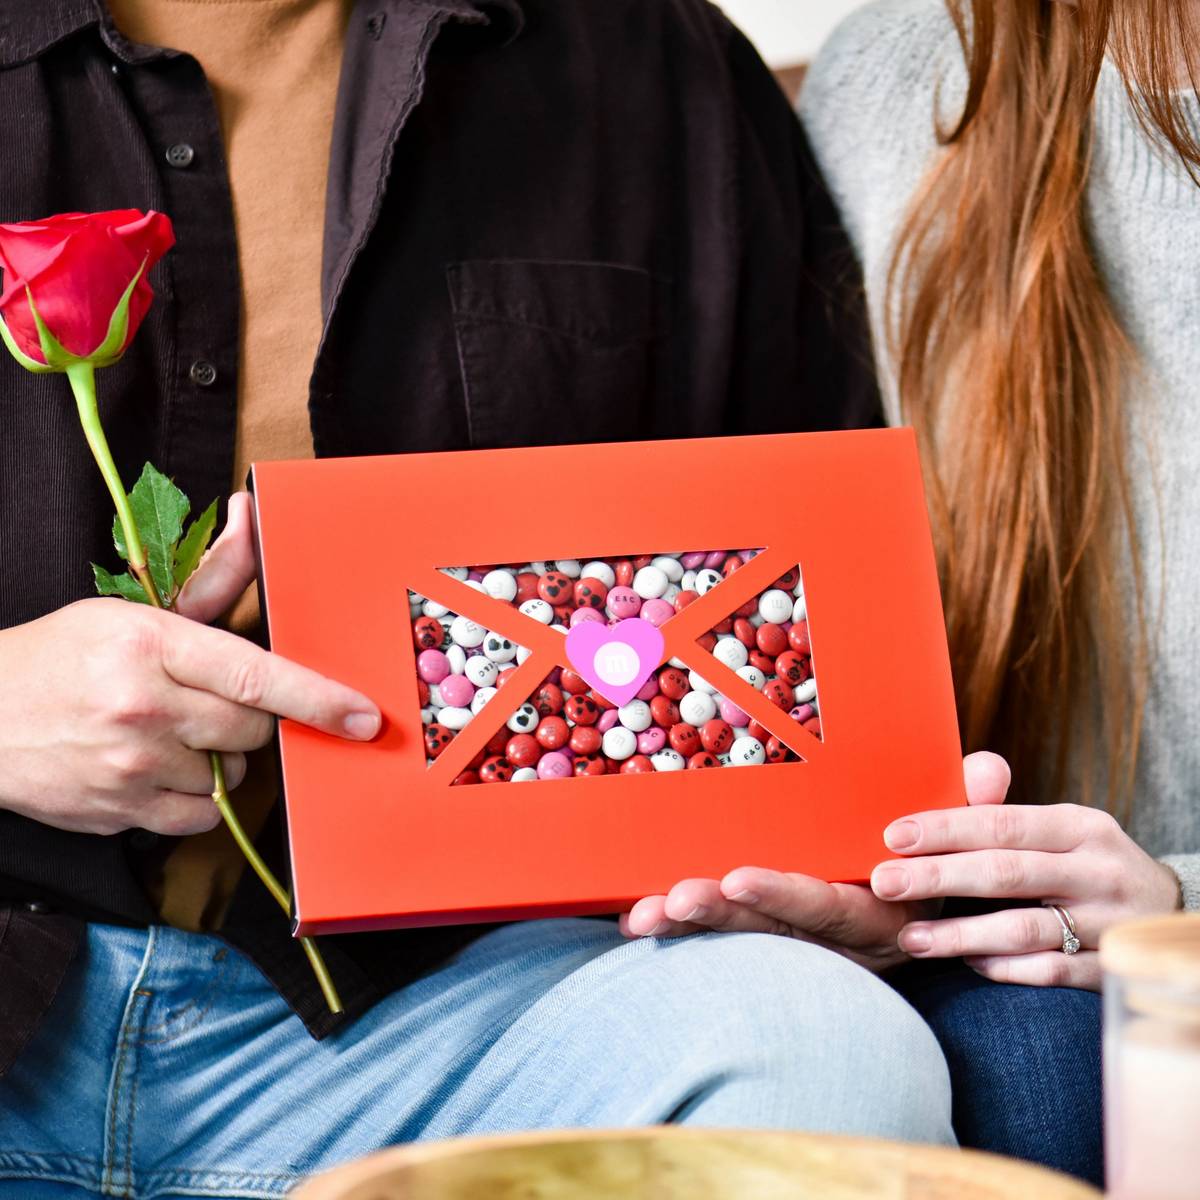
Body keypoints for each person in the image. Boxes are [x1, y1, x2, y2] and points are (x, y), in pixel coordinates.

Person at [0, 3, 951, 1198]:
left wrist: (842, 871)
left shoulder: (655, 65)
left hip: (447, 1018)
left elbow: (815, 593)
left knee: (822, 1043)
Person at [625, 0, 1200, 1188]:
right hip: (1032, 959)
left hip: (1148, 940)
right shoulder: (903, 83)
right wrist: (856, 871)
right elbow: (817, 610)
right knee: (1025, 1063)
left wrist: (1178, 907)